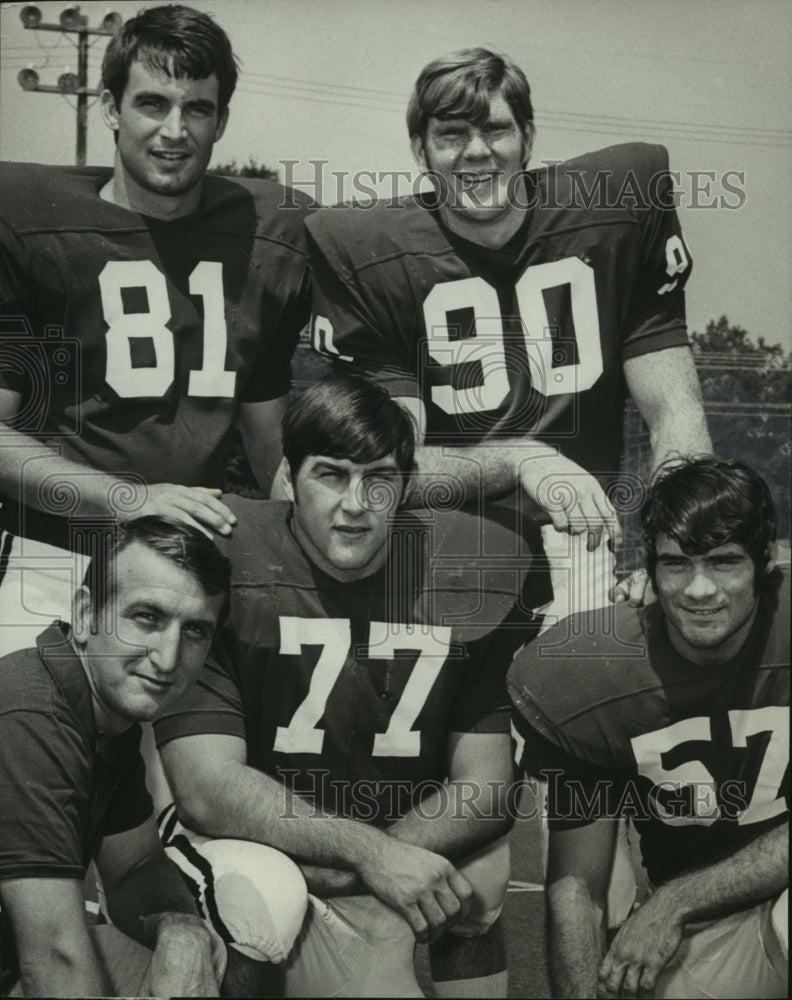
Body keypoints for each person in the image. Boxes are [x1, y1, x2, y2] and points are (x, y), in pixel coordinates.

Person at [304, 45, 714, 940]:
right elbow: (393, 464)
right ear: (422, 149)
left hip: (581, 558)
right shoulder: (366, 251)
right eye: (451, 134)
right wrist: (525, 455)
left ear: (529, 137)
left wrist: (670, 540)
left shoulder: (618, 208)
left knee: (593, 859)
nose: (475, 152)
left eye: (494, 127)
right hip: (446, 562)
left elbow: (674, 410)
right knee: (471, 891)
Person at [153, 374, 546, 997]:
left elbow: (487, 788)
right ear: (288, 477)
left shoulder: (471, 565)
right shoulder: (227, 555)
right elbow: (207, 789)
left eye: (380, 479)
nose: (356, 503)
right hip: (254, 837)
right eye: (331, 474)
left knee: (481, 876)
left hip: (396, 833)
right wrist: (368, 855)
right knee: (260, 904)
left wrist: (376, 855)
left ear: (407, 485)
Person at [0, 3, 312, 657]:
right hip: (51, 556)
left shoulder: (270, 238)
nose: (175, 130)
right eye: (152, 103)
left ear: (221, 118)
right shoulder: (35, 225)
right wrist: (128, 498)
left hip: (191, 567)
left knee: (184, 756)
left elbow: (266, 440)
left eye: (197, 108)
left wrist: (315, 524)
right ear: (111, 106)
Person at [508, 456, 789, 999]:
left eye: (726, 562)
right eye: (677, 563)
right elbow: (579, 886)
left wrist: (675, 901)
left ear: (766, 561)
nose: (700, 589)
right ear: (649, 571)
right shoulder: (585, 674)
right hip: (699, 938)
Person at [0, 516, 236, 998]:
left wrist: (179, 926)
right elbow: (54, 957)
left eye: (194, 631)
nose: (168, 658)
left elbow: (135, 868)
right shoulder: (31, 715)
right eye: (146, 617)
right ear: (85, 616)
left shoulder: (105, 711)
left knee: (206, 962)